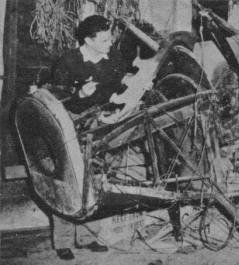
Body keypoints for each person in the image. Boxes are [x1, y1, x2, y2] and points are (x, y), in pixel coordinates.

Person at [51, 15, 128, 260]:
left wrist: (134, 86)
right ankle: (63, 241)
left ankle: (88, 236)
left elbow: (121, 84)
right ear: (88, 40)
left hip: (102, 124)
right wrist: (79, 92)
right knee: (69, 178)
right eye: (104, 39)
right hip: (72, 122)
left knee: (97, 177)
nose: (110, 42)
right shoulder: (70, 61)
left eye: (110, 37)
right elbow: (54, 96)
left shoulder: (113, 58)